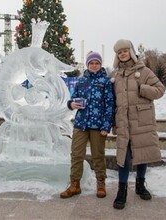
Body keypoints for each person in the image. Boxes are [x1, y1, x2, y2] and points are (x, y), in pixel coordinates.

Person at [110, 39, 165, 209]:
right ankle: (122, 190)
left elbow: (160, 90)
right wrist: (114, 122)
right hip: (123, 120)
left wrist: (143, 89)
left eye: (125, 51)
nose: (123, 54)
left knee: (142, 153)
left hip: (142, 119)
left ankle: (140, 185)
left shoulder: (144, 71)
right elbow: (113, 101)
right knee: (124, 156)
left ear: (131, 52)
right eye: (119, 52)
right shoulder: (115, 75)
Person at [60, 52, 115, 199]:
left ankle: (101, 183)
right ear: (87, 65)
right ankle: (74, 184)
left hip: (98, 125)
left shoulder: (106, 81)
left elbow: (110, 105)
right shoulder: (81, 80)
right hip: (81, 123)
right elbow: (72, 99)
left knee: (98, 155)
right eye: (91, 63)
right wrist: (71, 104)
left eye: (97, 63)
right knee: (76, 154)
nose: (94, 65)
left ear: (100, 64)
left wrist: (106, 126)